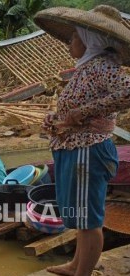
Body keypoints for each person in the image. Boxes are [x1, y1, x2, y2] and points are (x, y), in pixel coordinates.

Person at [35, 5, 130, 276]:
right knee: (80, 214)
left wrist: (81, 112)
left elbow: (127, 94)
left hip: (88, 150)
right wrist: (56, 118)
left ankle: (83, 272)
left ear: (91, 39)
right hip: (75, 148)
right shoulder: (88, 68)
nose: (69, 43)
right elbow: (77, 107)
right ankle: (77, 264)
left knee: (89, 219)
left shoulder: (102, 66)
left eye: (73, 37)